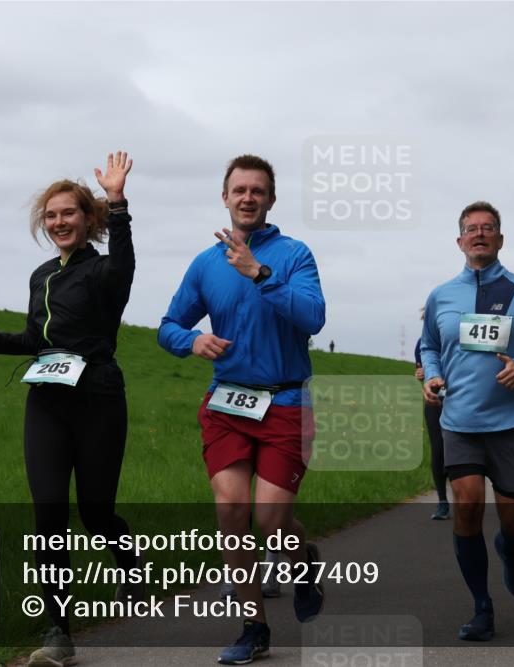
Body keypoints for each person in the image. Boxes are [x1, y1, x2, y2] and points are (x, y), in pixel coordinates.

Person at [0, 152, 138, 667]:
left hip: (98, 397)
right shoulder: (41, 275)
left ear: (88, 220)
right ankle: (58, 631)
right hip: (46, 400)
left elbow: (125, 261)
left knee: (95, 512)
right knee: (49, 513)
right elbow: (38, 340)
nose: (59, 221)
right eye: (51, 215)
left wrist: (119, 201)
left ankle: (127, 558)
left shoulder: (107, 271)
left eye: (69, 213)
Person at [157, 154, 326, 665]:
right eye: (239, 190)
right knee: (232, 513)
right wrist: (192, 341)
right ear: (225, 198)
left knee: (273, 522)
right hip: (227, 402)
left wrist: (260, 273)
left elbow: (313, 317)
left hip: (285, 401)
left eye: (258, 190)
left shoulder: (294, 255)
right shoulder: (205, 263)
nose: (248, 197)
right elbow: (167, 325)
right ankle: (254, 627)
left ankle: (303, 562)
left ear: (271, 199)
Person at [420, 201, 514, 642]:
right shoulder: (441, 295)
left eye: (488, 229)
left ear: (500, 240)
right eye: (471, 229)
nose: (479, 234)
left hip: (512, 422)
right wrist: (432, 375)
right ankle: (482, 607)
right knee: (466, 505)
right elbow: (428, 346)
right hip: (459, 421)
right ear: (459, 241)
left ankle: (510, 547)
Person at [415, 321, 448, 520]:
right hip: (434, 402)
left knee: (457, 450)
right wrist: (420, 374)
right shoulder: (422, 343)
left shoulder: (459, 337)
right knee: (438, 450)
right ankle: (442, 501)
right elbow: (421, 371)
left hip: (460, 401)